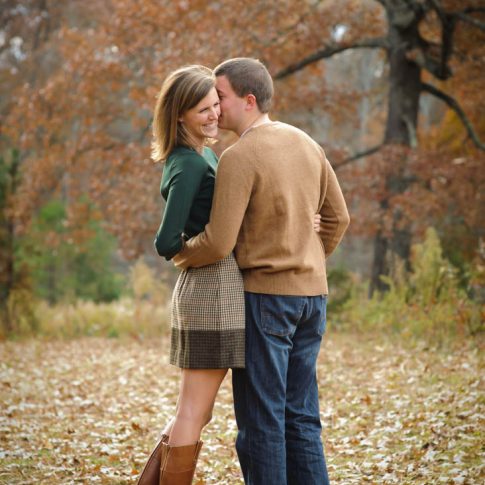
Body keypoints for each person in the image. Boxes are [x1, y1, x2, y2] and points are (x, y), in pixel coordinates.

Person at [172, 58, 350, 485]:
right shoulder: (308, 144)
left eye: (222, 98)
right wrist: (305, 258)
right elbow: (339, 219)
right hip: (313, 299)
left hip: (266, 301)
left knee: (262, 424)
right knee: (302, 417)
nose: (216, 107)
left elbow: (217, 242)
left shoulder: (240, 155)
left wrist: (179, 253)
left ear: (248, 101)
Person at [136, 65, 246, 485]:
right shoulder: (189, 163)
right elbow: (166, 241)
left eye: (216, 105)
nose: (214, 114)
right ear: (179, 115)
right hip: (209, 289)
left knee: (195, 411)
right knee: (193, 411)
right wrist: (195, 254)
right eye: (203, 109)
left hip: (213, 287)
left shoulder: (203, 153)